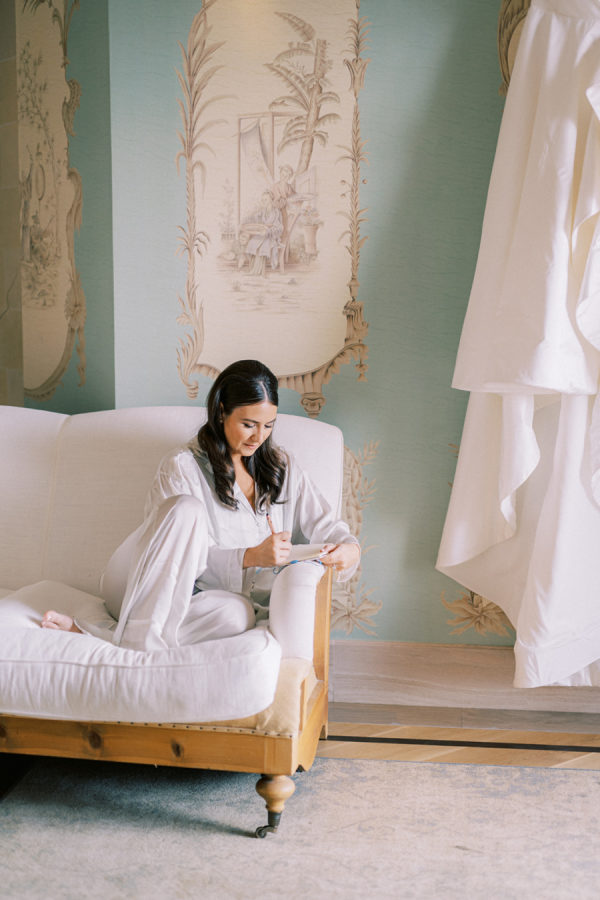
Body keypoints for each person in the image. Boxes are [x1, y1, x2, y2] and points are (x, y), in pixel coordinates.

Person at [41, 360, 360, 656]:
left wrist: (348, 550)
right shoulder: (182, 466)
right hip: (149, 584)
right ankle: (136, 650)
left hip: (206, 603)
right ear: (221, 413)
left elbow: (327, 525)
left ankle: (112, 639)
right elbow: (176, 558)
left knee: (238, 616)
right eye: (249, 424)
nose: (258, 437)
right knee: (186, 508)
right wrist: (250, 556)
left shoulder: (282, 467)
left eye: (268, 426)